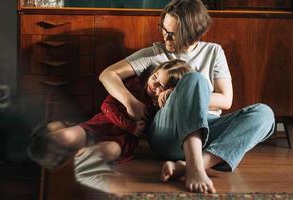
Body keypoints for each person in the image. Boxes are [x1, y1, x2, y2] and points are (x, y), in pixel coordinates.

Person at [99, 0, 275, 194]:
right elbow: (107, 75)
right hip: (167, 132)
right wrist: (130, 102)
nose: (165, 37)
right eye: (163, 29)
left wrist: (183, 93)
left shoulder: (213, 52)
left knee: (264, 114)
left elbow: (226, 100)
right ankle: (196, 168)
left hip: (209, 127)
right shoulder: (154, 53)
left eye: (173, 34)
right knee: (194, 79)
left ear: (193, 34)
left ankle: (190, 165)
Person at [27, 59, 192, 192]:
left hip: (122, 140)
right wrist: (130, 125)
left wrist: (167, 99)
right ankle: (46, 139)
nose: (153, 85)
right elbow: (107, 106)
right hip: (101, 124)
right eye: (155, 78)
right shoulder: (134, 85)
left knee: (110, 150)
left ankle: (82, 159)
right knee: (66, 136)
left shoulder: (160, 105)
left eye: (161, 87)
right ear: (153, 72)